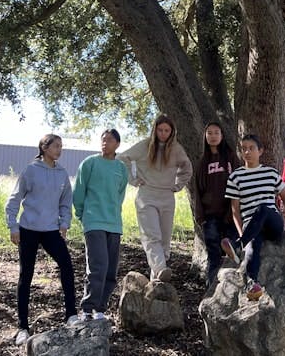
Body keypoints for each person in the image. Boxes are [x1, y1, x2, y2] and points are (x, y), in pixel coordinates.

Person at [5, 133, 76, 346]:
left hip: (51, 230)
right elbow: (14, 199)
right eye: (56, 146)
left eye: (61, 146)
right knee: (26, 275)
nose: (60, 150)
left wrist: (64, 223)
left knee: (67, 265)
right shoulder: (31, 170)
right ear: (44, 148)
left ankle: (71, 315)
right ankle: (23, 327)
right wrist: (13, 226)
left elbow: (66, 201)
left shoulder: (62, 173)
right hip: (28, 229)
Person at [221, 133, 285, 300]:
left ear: (260, 151)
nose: (247, 152)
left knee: (263, 208)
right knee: (252, 246)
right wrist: (242, 231)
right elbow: (235, 210)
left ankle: (238, 245)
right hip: (252, 226)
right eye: (244, 149)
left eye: (251, 148)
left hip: (273, 223)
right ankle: (253, 284)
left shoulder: (271, 173)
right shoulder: (235, 177)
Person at [118, 113, 193, 282]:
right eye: (160, 130)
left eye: (167, 130)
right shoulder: (144, 145)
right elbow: (122, 158)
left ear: (172, 132)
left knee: (165, 240)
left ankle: (157, 280)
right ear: (155, 130)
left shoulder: (176, 148)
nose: (163, 133)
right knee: (152, 236)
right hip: (147, 195)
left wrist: (178, 185)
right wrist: (133, 179)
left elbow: (187, 168)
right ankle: (160, 269)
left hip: (167, 196)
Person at [72, 128, 129, 321]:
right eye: (103, 139)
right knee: (98, 266)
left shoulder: (121, 169)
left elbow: (120, 195)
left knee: (111, 269)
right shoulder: (89, 163)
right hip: (93, 221)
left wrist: (113, 213)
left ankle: (100, 309)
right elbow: (79, 191)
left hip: (113, 224)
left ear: (117, 144)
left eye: (110, 140)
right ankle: (87, 308)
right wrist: (83, 216)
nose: (105, 142)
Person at [193, 122, 239, 287]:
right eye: (209, 133)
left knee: (232, 251)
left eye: (216, 133)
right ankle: (211, 289)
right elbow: (197, 191)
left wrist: (235, 211)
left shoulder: (231, 158)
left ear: (222, 135)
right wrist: (201, 217)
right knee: (213, 254)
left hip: (230, 214)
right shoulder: (202, 163)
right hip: (210, 216)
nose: (213, 136)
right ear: (205, 137)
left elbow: (239, 184)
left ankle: (233, 287)